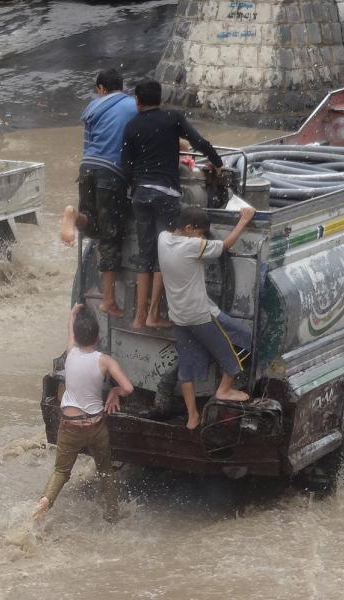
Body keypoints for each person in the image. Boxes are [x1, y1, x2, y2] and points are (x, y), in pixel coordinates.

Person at [121, 80, 224, 330]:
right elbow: (199, 142)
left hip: (140, 195)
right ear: (161, 99)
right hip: (166, 194)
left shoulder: (132, 126)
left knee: (144, 256)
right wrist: (217, 163)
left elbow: (126, 164)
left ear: (137, 102)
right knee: (162, 255)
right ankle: (153, 315)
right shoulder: (172, 119)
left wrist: (132, 190)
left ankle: (138, 317)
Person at [158, 206, 255, 430]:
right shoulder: (192, 246)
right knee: (238, 344)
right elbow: (225, 246)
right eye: (201, 232)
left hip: (178, 316)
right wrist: (243, 220)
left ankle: (192, 416)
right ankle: (224, 389)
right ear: (190, 228)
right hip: (201, 314)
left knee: (187, 366)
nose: (202, 237)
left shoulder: (163, 239)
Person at [34, 305, 133, 522]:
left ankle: (44, 502)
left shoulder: (70, 353)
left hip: (69, 426)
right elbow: (128, 388)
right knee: (105, 471)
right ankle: (112, 514)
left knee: (61, 471)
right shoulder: (105, 360)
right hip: (96, 426)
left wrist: (73, 314)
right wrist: (115, 391)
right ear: (98, 337)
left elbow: (70, 331)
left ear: (77, 338)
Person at [59, 69, 139, 317]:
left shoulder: (92, 108)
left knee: (91, 224)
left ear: (102, 89)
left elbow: (89, 144)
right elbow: (139, 138)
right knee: (110, 236)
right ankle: (108, 300)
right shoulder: (132, 106)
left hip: (87, 168)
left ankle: (74, 214)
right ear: (120, 87)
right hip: (111, 172)